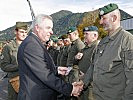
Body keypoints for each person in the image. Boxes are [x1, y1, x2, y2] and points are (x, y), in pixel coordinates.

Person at [17, 14, 83, 100]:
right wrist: (70, 89)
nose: (51, 32)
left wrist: (56, 69)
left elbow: (38, 67)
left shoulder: (34, 42)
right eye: (48, 28)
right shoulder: (31, 45)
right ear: (37, 28)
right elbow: (45, 75)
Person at [83, 3, 133, 100]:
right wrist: (83, 83)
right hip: (97, 96)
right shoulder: (103, 42)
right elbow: (93, 66)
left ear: (114, 18)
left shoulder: (127, 41)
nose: (101, 22)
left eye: (103, 18)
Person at [0, 22, 28, 100]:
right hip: (15, 82)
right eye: (21, 32)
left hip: (28, 82)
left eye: (25, 32)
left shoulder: (29, 46)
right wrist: (19, 66)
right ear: (15, 32)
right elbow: (3, 65)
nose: (24, 34)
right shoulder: (8, 47)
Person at [75, 26, 99, 100]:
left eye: (86, 34)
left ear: (95, 35)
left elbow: (96, 67)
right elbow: (74, 62)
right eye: (84, 34)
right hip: (83, 82)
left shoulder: (97, 48)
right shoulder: (85, 48)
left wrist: (85, 77)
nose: (84, 36)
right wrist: (76, 57)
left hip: (91, 85)